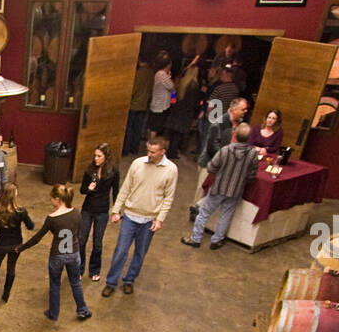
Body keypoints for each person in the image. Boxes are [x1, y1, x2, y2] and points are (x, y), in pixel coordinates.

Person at [102, 135, 178, 297]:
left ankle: (129, 280)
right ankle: (111, 282)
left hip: (149, 220)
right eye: (148, 151)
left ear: (163, 152)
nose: (149, 155)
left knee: (140, 253)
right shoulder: (137, 164)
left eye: (153, 152)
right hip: (130, 216)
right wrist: (116, 211)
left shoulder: (171, 170)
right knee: (121, 250)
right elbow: (125, 188)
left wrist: (160, 219)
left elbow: (168, 197)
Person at [19, 183, 92, 322]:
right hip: (73, 253)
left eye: (51, 198)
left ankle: (53, 313)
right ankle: (83, 310)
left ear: (57, 199)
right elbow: (80, 234)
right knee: (75, 282)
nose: (50, 201)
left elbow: (37, 238)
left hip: (57, 255)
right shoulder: (77, 212)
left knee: (55, 284)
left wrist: (21, 248)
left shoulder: (52, 218)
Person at [182, 122, 257, 250]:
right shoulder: (252, 153)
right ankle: (216, 240)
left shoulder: (225, 150)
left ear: (235, 135)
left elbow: (211, 167)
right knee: (226, 215)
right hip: (236, 190)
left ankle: (196, 239)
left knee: (204, 213)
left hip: (219, 187)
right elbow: (252, 174)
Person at [191, 97, 249, 222]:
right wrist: (228, 158)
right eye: (243, 109)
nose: (245, 111)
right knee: (202, 190)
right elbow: (213, 147)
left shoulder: (239, 124)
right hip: (209, 164)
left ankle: (202, 217)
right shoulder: (219, 123)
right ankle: (195, 215)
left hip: (222, 164)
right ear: (234, 109)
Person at [0, 183, 33, 305]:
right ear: (13, 195)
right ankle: (5, 295)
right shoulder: (21, 211)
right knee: (11, 268)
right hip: (16, 245)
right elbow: (31, 226)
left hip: (1, 244)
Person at [77, 143, 118, 280]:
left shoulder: (113, 172)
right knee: (81, 240)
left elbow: (116, 192)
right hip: (88, 209)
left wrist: (116, 211)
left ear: (106, 157)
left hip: (102, 210)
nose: (96, 158)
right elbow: (82, 190)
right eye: (95, 155)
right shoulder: (90, 170)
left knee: (97, 243)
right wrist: (88, 188)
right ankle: (79, 269)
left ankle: (94, 270)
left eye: (99, 156)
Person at [198, 64, 241, 156]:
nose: (221, 75)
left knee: (207, 138)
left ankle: (203, 157)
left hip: (214, 118)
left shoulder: (219, 88)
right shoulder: (235, 89)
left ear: (225, 74)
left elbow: (211, 105)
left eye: (222, 74)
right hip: (225, 119)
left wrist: (207, 114)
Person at [164, 56, 201, 162]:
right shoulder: (194, 85)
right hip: (186, 112)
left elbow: (173, 95)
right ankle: (173, 153)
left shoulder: (182, 82)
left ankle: (171, 151)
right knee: (179, 134)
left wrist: (173, 103)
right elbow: (194, 102)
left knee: (175, 133)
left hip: (177, 109)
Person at [124, 57, 154, 156]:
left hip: (134, 104)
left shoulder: (139, 73)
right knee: (138, 128)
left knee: (129, 128)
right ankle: (134, 148)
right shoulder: (151, 73)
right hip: (143, 105)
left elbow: (134, 89)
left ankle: (125, 149)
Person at [147, 51, 175, 140]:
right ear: (168, 65)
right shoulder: (161, 74)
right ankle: (151, 144)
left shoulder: (161, 74)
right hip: (159, 106)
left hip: (158, 104)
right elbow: (172, 88)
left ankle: (151, 143)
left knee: (154, 127)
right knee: (155, 128)